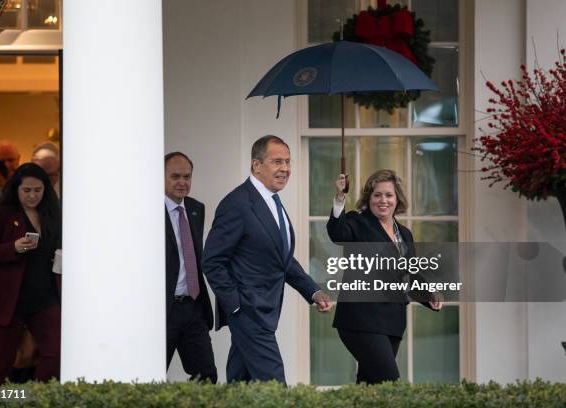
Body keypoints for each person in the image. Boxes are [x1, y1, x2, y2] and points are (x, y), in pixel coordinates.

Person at [202, 135, 332, 384]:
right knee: (274, 385)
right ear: (256, 165)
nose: (285, 168)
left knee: (241, 385)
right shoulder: (237, 204)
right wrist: (236, 305)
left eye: (287, 161)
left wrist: (313, 292)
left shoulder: (272, 199)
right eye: (277, 162)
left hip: (265, 309)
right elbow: (212, 260)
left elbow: (281, 259)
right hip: (249, 310)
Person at [327, 170, 442, 384]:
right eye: (377, 195)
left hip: (392, 322)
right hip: (360, 320)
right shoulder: (356, 223)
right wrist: (340, 197)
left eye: (388, 195)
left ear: (397, 199)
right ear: (368, 198)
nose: (383, 200)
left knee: (371, 388)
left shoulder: (405, 234)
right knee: (389, 383)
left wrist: (429, 295)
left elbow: (410, 274)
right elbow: (337, 233)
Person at [0, 163, 61, 386]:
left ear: (46, 189)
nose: (33, 196)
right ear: (16, 189)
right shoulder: (1, 213)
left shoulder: (52, 212)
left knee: (55, 352)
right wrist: (13, 248)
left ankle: (34, 398)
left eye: (38, 190)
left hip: (44, 296)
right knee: (2, 363)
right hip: (8, 299)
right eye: (27, 190)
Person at [164, 152, 217, 383]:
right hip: (163, 310)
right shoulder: (144, 210)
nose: (182, 182)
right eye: (175, 176)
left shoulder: (196, 208)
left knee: (206, 376)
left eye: (187, 176)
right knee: (149, 377)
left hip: (193, 307)